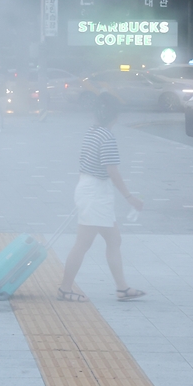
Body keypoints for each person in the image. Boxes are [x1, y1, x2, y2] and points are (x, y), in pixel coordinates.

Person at [58, 97, 145, 303]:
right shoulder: (107, 137)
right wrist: (129, 197)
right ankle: (65, 288)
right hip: (95, 192)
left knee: (114, 240)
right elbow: (111, 170)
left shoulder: (93, 132)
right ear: (114, 116)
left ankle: (122, 288)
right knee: (83, 243)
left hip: (92, 190)